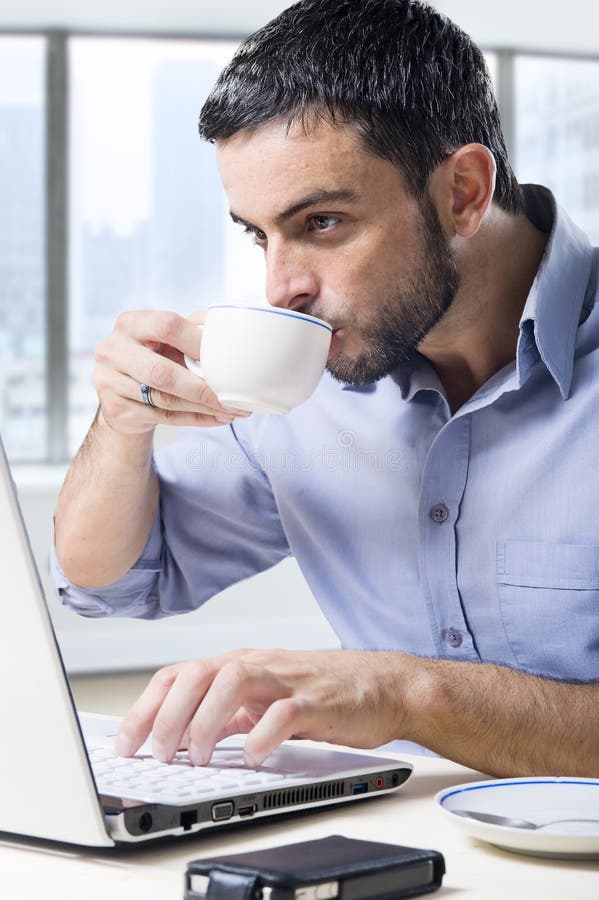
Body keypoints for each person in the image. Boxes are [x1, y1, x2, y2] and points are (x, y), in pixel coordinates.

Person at [53, 0, 599, 777]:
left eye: (321, 224)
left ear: (464, 192)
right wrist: (120, 426)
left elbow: (405, 698)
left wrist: (408, 695)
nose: (281, 287)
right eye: (257, 233)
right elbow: (113, 580)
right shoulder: (310, 375)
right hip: (404, 855)